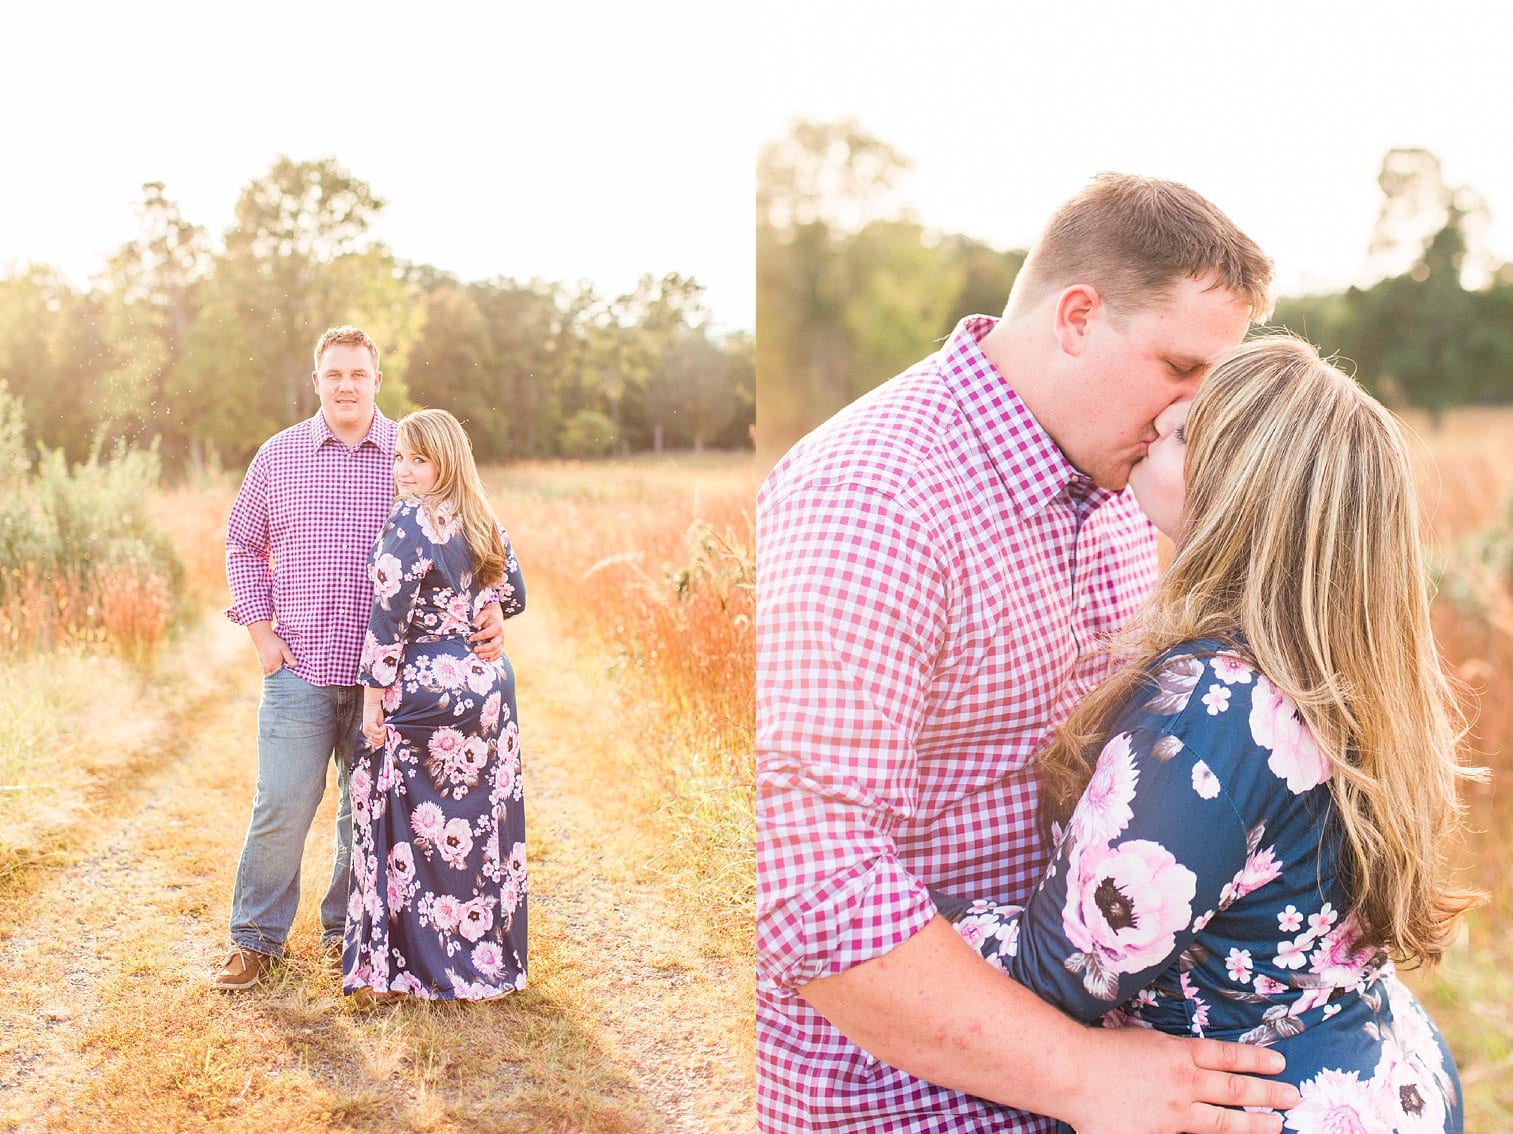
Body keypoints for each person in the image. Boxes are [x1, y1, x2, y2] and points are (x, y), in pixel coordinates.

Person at [757, 174, 1300, 1133]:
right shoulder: (875, 499)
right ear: (1077, 318)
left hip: (1091, 1079)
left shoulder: (1123, 486)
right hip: (906, 1105)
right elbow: (804, 883)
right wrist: (1083, 1076)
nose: (1196, 414)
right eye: (1179, 366)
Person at [936, 336, 1480, 1133]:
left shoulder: (1214, 710)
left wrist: (878, 901)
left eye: (1188, 432)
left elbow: (1058, 973)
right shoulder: (1333, 663)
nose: (1157, 423)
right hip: (1384, 1074)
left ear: (1240, 489)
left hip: (1256, 1110)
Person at [216, 327, 505, 992]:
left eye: (357, 374)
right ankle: (254, 940)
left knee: (365, 812)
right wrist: (261, 634)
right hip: (301, 670)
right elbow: (240, 544)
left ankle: (348, 930)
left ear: (377, 380)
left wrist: (489, 608)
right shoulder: (279, 456)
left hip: (392, 678)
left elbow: (473, 531)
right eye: (334, 374)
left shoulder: (414, 454)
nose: (346, 385)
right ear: (316, 380)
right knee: (281, 803)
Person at [345, 408, 527, 1001]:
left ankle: (416, 966)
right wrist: (487, 610)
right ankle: (485, 956)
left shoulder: (411, 521)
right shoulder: (482, 516)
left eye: (417, 460)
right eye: (399, 458)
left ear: (444, 460)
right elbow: (514, 596)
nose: (403, 471)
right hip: (487, 687)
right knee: (474, 825)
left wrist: (374, 700)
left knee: (408, 824)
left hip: (424, 686)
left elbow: (388, 619)